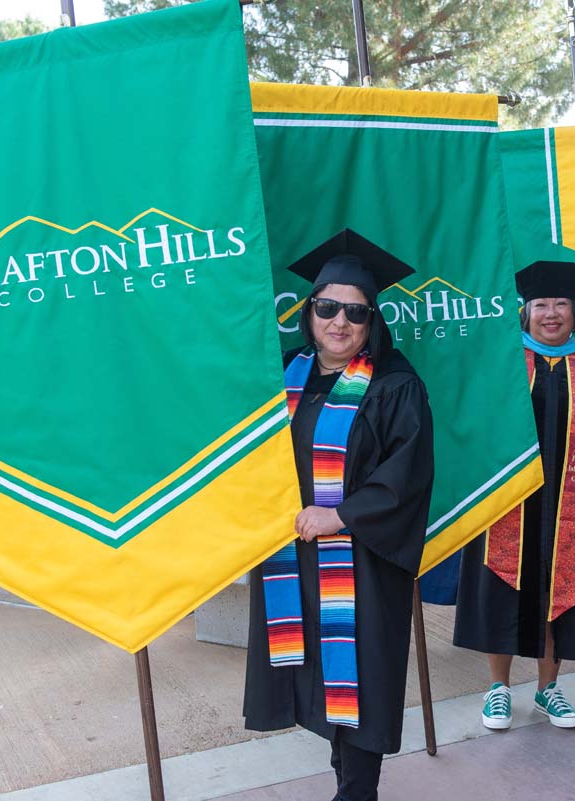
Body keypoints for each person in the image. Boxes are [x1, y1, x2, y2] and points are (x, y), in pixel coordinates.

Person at [244, 229, 435, 801]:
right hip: (294, 555)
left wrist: (344, 516)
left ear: (371, 319)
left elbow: (409, 474)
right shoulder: (285, 374)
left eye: (355, 312)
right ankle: (345, 780)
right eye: (328, 308)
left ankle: (358, 791)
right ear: (309, 311)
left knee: (361, 674)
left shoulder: (396, 385)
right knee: (321, 674)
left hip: (363, 558)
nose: (340, 322)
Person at [454, 260, 575, 730]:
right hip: (506, 505)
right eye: (540, 304)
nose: (550, 313)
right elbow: (472, 431)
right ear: (524, 313)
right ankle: (498, 689)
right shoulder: (503, 363)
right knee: (501, 591)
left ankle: (548, 689)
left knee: (558, 593)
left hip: (572, 505)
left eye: (560, 304)